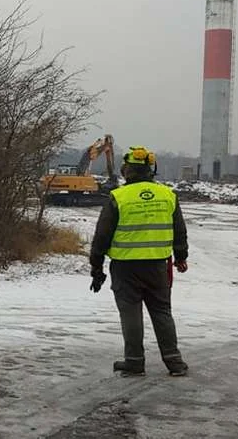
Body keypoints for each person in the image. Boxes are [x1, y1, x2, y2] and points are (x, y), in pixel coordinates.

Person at [90, 145, 190, 377]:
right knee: (162, 311)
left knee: (130, 313)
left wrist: (96, 263)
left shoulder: (118, 197)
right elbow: (180, 231)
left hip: (126, 268)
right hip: (158, 266)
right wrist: (181, 257)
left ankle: (134, 362)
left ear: (127, 171)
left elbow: (102, 235)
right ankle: (174, 362)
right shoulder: (168, 195)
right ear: (150, 170)